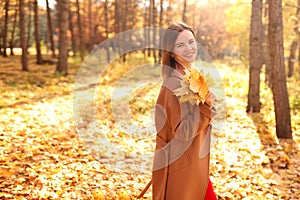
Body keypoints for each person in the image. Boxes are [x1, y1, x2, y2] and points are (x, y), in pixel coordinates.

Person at [152, 22, 217, 200]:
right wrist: (206, 108)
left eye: (191, 41)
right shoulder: (173, 84)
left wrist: (208, 104)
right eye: (180, 45)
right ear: (171, 52)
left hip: (193, 162)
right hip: (181, 167)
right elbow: (183, 132)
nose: (189, 48)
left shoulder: (190, 76)